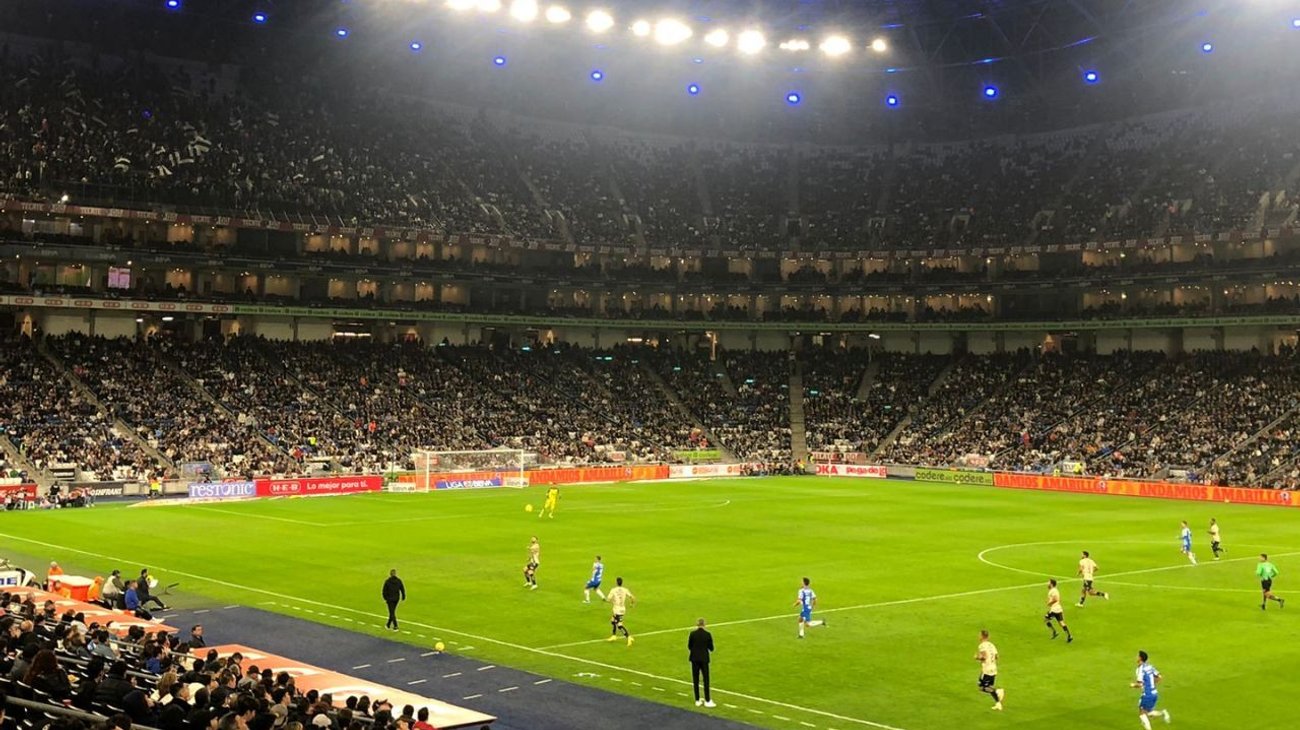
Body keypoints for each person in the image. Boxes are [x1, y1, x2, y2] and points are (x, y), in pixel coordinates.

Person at [1130, 650, 1170, 727]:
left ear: (1140, 658)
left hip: (1147, 694)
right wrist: (1150, 683)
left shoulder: (1140, 669)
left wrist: (1133, 685)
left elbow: (1140, 684)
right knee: (1148, 713)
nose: (1136, 657)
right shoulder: (1150, 666)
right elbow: (1159, 677)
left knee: (1142, 714)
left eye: (1137, 656)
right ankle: (1163, 713)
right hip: (1154, 693)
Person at [687, 618, 715, 708]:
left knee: (696, 679)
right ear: (704, 624)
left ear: (697, 624)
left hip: (694, 658)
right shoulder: (707, 635)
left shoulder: (692, 634)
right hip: (704, 659)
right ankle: (707, 700)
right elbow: (711, 648)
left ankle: (697, 700)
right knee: (706, 680)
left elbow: (689, 646)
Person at [975, 629, 1005, 711]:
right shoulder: (991, 645)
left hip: (987, 670)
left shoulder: (982, 646)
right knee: (988, 687)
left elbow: (983, 657)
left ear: (982, 636)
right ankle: (998, 704)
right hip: (993, 668)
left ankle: (998, 691)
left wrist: (977, 657)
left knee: (982, 687)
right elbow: (996, 656)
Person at [604, 577, 635, 646]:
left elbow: (608, 599)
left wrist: (609, 601)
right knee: (613, 621)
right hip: (622, 609)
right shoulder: (625, 589)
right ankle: (614, 636)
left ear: (616, 582)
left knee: (619, 625)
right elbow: (632, 597)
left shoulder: (613, 590)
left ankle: (628, 637)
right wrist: (631, 604)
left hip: (617, 610)